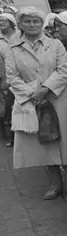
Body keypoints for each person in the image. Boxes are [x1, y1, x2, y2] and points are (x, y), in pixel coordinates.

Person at [5, 7, 67, 201]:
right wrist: (33, 94)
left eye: (36, 21)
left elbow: (64, 70)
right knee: (43, 146)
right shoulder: (13, 48)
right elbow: (12, 77)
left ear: (42, 24)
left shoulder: (55, 44)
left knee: (66, 144)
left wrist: (44, 89)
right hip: (31, 102)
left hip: (58, 100)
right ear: (20, 24)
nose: (32, 25)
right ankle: (55, 183)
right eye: (27, 21)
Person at [0, 12, 19, 146]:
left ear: (12, 23)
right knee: (8, 107)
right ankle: (11, 137)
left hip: (22, 75)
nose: (0, 23)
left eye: (3, 20)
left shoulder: (20, 35)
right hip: (5, 76)